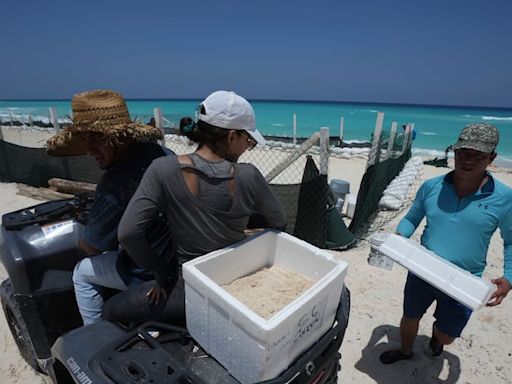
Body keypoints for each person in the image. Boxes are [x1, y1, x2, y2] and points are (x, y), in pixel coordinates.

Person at [102, 90, 287, 325]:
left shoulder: (162, 169)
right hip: (235, 289)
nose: (247, 147)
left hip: (186, 293)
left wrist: (162, 272)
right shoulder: (249, 175)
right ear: (231, 136)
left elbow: (127, 234)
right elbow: (279, 222)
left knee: (109, 311)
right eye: (248, 141)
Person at [379, 122, 512, 364]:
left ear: (492, 158)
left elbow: (511, 241)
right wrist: (397, 240)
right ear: (454, 151)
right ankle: (405, 352)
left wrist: (509, 277)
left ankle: (437, 338)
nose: (467, 160)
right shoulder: (431, 187)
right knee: (410, 316)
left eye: (477, 155)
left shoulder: (504, 198)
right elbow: (411, 219)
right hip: (422, 269)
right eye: (462, 153)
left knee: (447, 335)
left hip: (464, 279)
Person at [46, 89, 173, 325]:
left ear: (121, 137)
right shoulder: (160, 152)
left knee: (82, 272)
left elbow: (91, 246)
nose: (89, 149)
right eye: (85, 139)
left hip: (147, 271)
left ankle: (94, 335)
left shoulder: (115, 183)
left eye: (97, 138)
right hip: (177, 256)